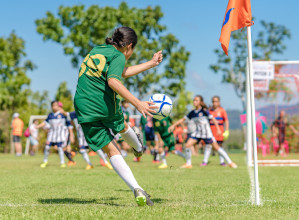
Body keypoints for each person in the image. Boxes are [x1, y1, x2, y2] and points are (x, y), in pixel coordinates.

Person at [74, 27, 162, 206]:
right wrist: (138, 103)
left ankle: (137, 188)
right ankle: (138, 145)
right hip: (103, 102)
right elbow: (114, 80)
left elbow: (120, 72)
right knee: (120, 125)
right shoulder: (119, 56)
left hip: (82, 105)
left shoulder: (98, 50)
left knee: (111, 150)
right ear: (129, 46)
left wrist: (151, 63)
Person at [168, 95, 237, 169]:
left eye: (196, 100)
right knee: (187, 145)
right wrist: (173, 125)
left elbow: (213, 119)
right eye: (194, 100)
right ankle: (188, 164)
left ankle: (230, 162)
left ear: (200, 102)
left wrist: (218, 129)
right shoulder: (192, 112)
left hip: (207, 133)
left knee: (217, 147)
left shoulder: (204, 111)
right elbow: (182, 119)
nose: (194, 102)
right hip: (197, 133)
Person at [36, 101, 74, 168]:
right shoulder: (50, 115)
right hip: (51, 135)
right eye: (54, 105)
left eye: (56, 105)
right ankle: (45, 161)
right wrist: (38, 126)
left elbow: (69, 125)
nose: (55, 107)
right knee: (47, 147)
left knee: (60, 148)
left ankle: (62, 163)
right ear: (51, 107)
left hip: (60, 135)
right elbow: (45, 122)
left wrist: (71, 135)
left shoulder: (63, 115)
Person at [203, 96, 230, 166]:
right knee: (208, 145)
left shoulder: (222, 110)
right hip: (211, 131)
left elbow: (226, 120)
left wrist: (227, 130)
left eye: (216, 101)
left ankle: (222, 161)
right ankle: (205, 161)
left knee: (219, 146)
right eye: (213, 101)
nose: (214, 103)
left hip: (219, 131)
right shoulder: (209, 111)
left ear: (219, 102)